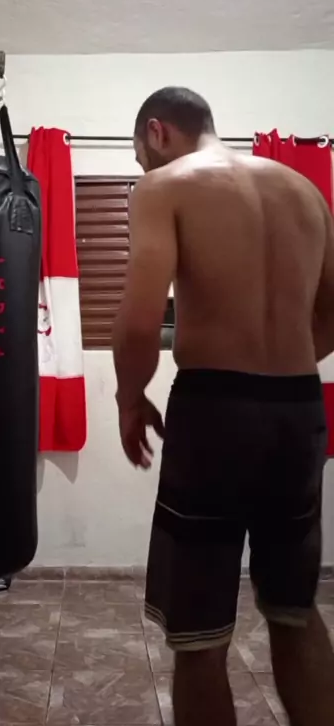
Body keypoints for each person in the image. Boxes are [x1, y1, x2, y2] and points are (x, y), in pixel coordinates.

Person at [112, 87, 334, 726]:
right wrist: (282, 363)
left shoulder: (164, 187)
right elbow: (333, 310)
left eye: (141, 154)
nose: (144, 167)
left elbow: (139, 322)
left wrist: (131, 399)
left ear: (157, 132)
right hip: (298, 408)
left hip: (215, 413)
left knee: (199, 633)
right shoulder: (305, 191)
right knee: (295, 609)